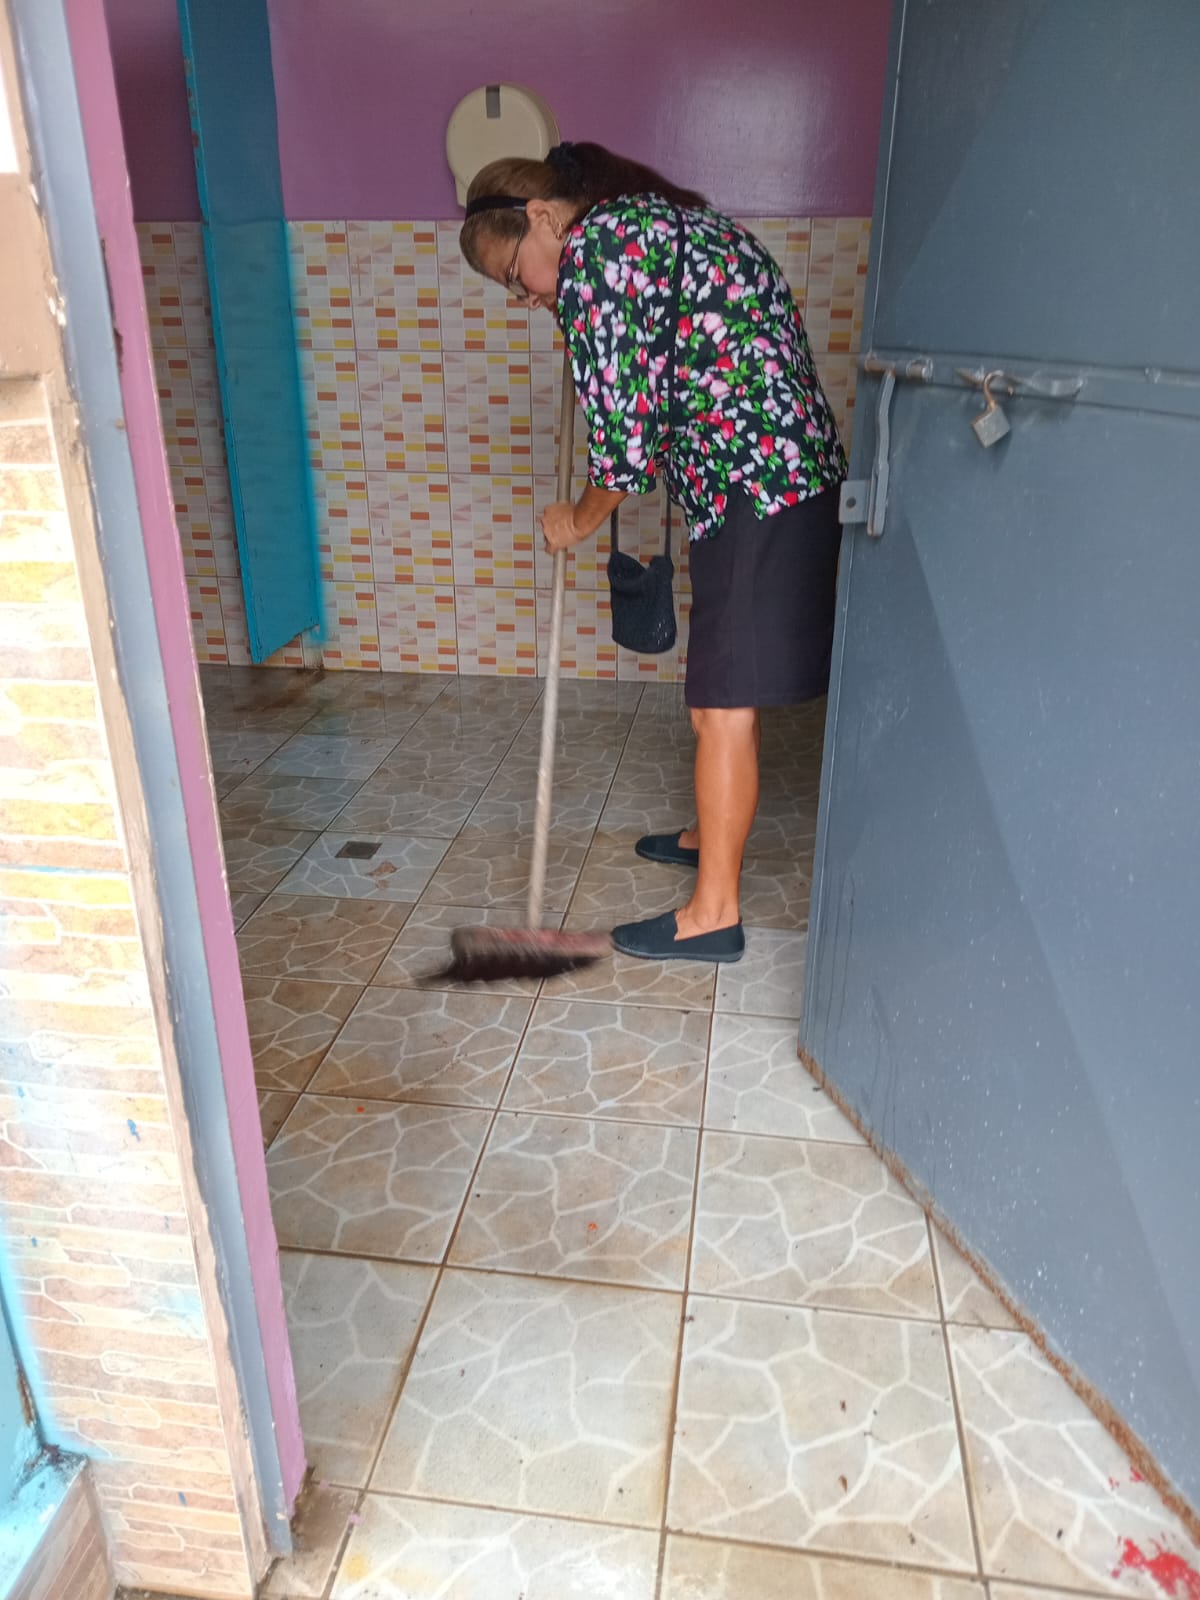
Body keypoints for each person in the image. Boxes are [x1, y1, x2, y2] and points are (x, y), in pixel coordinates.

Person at [459, 141, 846, 963]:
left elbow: (623, 452)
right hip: (770, 476)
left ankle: (714, 915)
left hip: (756, 484)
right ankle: (710, 832)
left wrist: (577, 521)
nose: (524, 297)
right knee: (724, 689)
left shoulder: (596, 256)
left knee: (722, 704)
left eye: (513, 275)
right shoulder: (648, 227)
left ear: (541, 218)